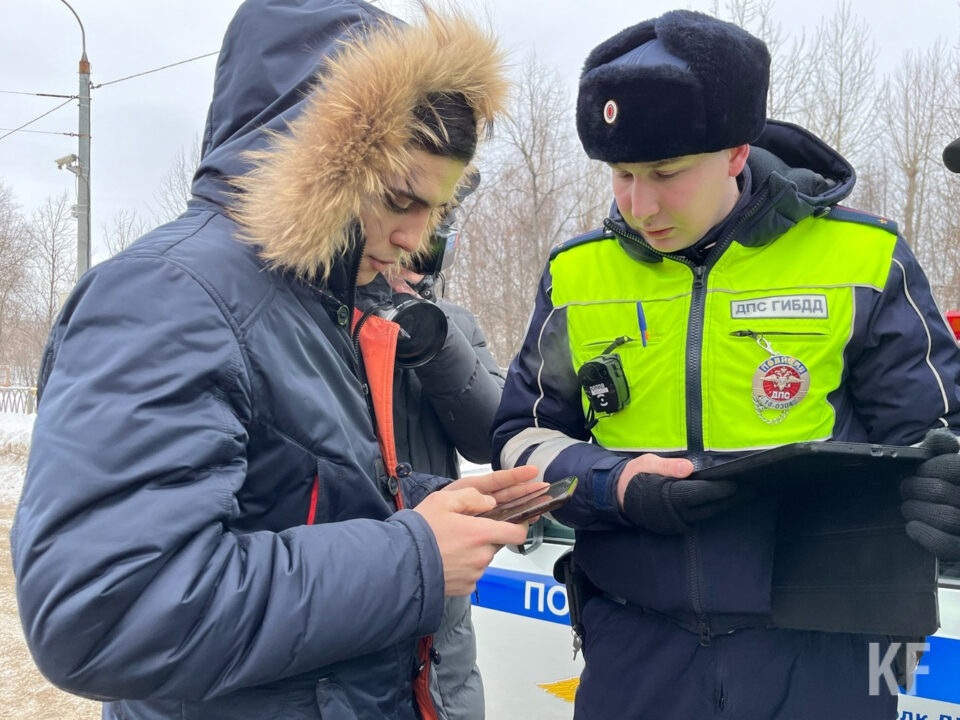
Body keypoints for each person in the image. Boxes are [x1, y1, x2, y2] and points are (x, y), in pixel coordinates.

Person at [11, 2, 539, 719]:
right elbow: (109, 614)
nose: (416, 238)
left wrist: (428, 509)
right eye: (398, 199)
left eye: (436, 211)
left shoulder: (319, 300)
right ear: (316, 161)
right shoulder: (171, 294)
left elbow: (288, 500)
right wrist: (415, 557)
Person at [492, 10, 960, 719]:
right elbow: (521, 441)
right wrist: (616, 486)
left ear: (737, 153)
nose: (638, 204)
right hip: (633, 645)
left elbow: (938, 439)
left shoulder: (864, 259)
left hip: (825, 654)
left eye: (665, 172)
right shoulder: (576, 275)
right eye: (620, 174)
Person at [355, 188, 505, 719]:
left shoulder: (455, 322)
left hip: (443, 622)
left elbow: (492, 433)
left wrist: (433, 340)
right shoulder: (328, 317)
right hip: (357, 580)